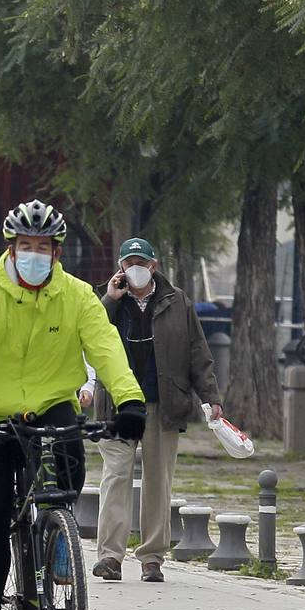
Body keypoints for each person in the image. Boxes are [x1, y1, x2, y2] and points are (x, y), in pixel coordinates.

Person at [0, 199, 147, 610]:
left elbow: (107, 348)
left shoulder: (78, 297)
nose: (34, 254)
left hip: (54, 405)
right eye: (25, 246)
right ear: (11, 249)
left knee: (66, 475)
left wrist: (130, 400)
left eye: (44, 247)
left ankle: (58, 540)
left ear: (57, 253)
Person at [90, 238, 223, 583]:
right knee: (116, 475)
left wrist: (211, 397)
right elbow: (87, 337)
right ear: (120, 267)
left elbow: (198, 351)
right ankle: (110, 555)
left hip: (162, 403)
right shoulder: (105, 300)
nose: (134, 269)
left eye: (141, 262)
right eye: (128, 262)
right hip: (116, 404)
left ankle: (151, 557)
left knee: (157, 480)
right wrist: (110, 300)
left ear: (154, 266)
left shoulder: (177, 301)